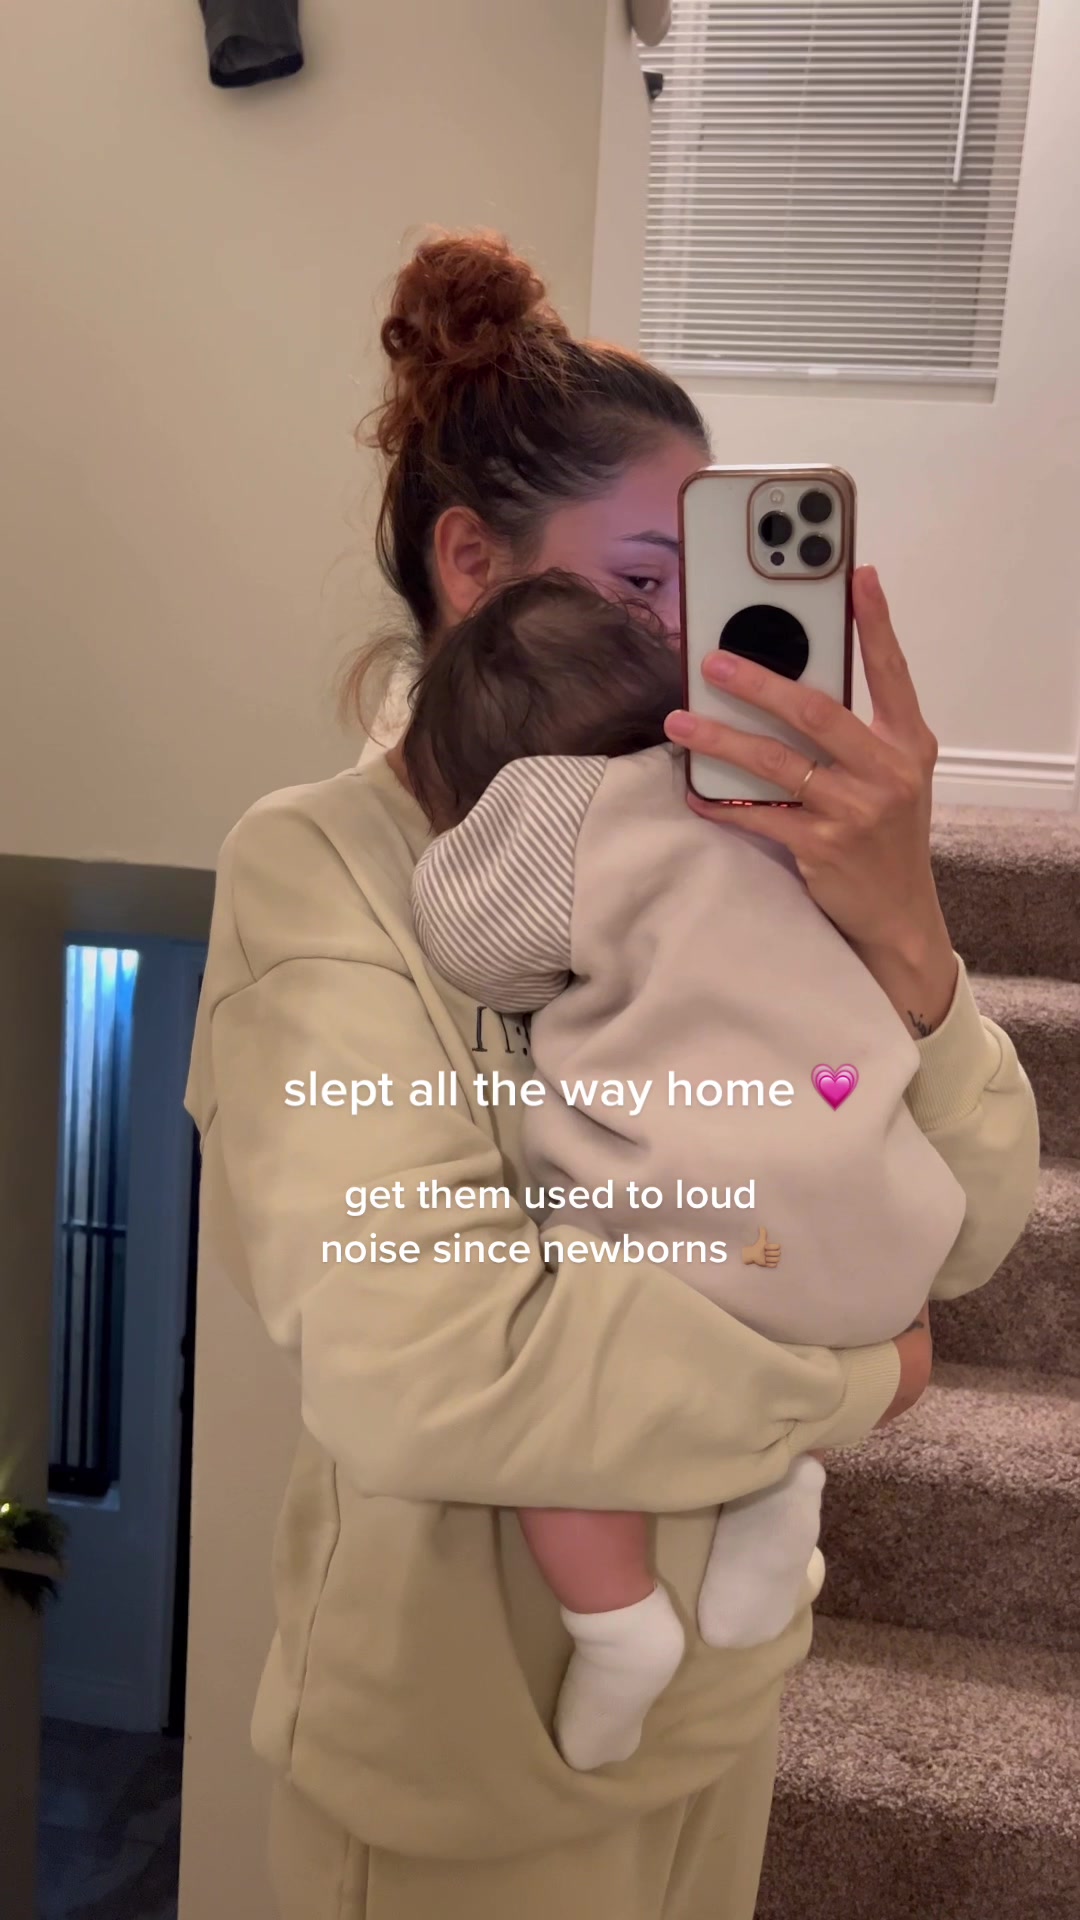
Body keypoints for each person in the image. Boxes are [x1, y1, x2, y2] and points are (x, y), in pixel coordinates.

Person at [183, 230, 1040, 1920]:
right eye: (646, 582)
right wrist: (856, 1380)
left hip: (722, 1707)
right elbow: (432, 1364)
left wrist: (906, 937)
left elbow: (966, 1227)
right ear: (471, 563)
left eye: (701, 590)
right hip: (461, 1771)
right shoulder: (324, 873)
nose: (684, 643)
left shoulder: (744, 852)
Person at [403, 568, 970, 1773]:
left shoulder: (555, 814)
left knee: (563, 1391)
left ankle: (615, 1622)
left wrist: (463, 848)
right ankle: (778, 1488)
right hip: (876, 1231)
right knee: (784, 1298)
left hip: (688, 1233)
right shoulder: (773, 800)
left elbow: (474, 950)